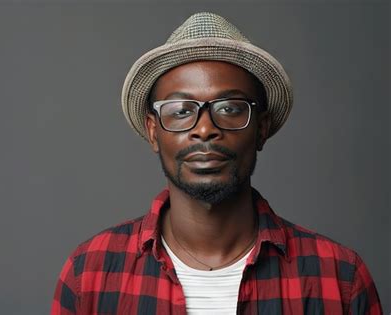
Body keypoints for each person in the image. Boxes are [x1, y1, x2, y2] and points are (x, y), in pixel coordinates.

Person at [51, 12, 382, 314]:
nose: (205, 129)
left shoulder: (339, 280)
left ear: (261, 129)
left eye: (230, 108)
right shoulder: (91, 274)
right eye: (181, 111)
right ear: (153, 132)